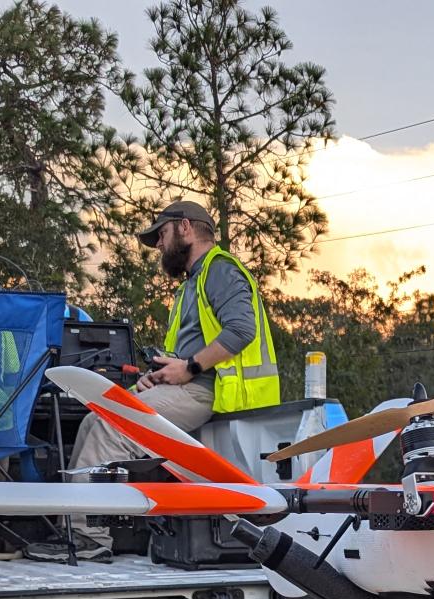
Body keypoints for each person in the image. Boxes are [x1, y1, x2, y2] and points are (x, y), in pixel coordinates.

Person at [25, 200, 281, 563]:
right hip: (190, 384)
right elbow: (190, 351)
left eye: (161, 234)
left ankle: (88, 536)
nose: (159, 245)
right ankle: (78, 528)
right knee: (95, 418)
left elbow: (241, 331)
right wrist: (160, 373)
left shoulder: (219, 270)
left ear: (187, 228)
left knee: (112, 425)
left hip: (208, 390)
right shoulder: (194, 282)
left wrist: (188, 368)